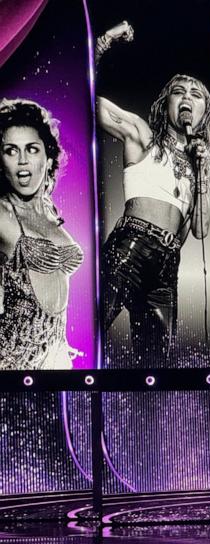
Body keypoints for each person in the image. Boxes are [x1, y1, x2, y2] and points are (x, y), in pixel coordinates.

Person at [95, 21, 210, 367]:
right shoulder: (143, 136)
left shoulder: (198, 165)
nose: (188, 97)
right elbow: (87, 97)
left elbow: (201, 230)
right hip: (131, 247)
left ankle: (143, 420)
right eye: (180, 91)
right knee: (92, 327)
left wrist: (203, 173)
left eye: (197, 94)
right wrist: (104, 42)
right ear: (167, 104)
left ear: (205, 111)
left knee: (155, 364)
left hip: (167, 266)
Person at [0, 99, 83, 370]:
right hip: (13, 366)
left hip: (55, 360)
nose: (22, 160)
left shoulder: (49, 209)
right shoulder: (3, 211)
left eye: (31, 149)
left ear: (47, 158)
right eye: (11, 151)